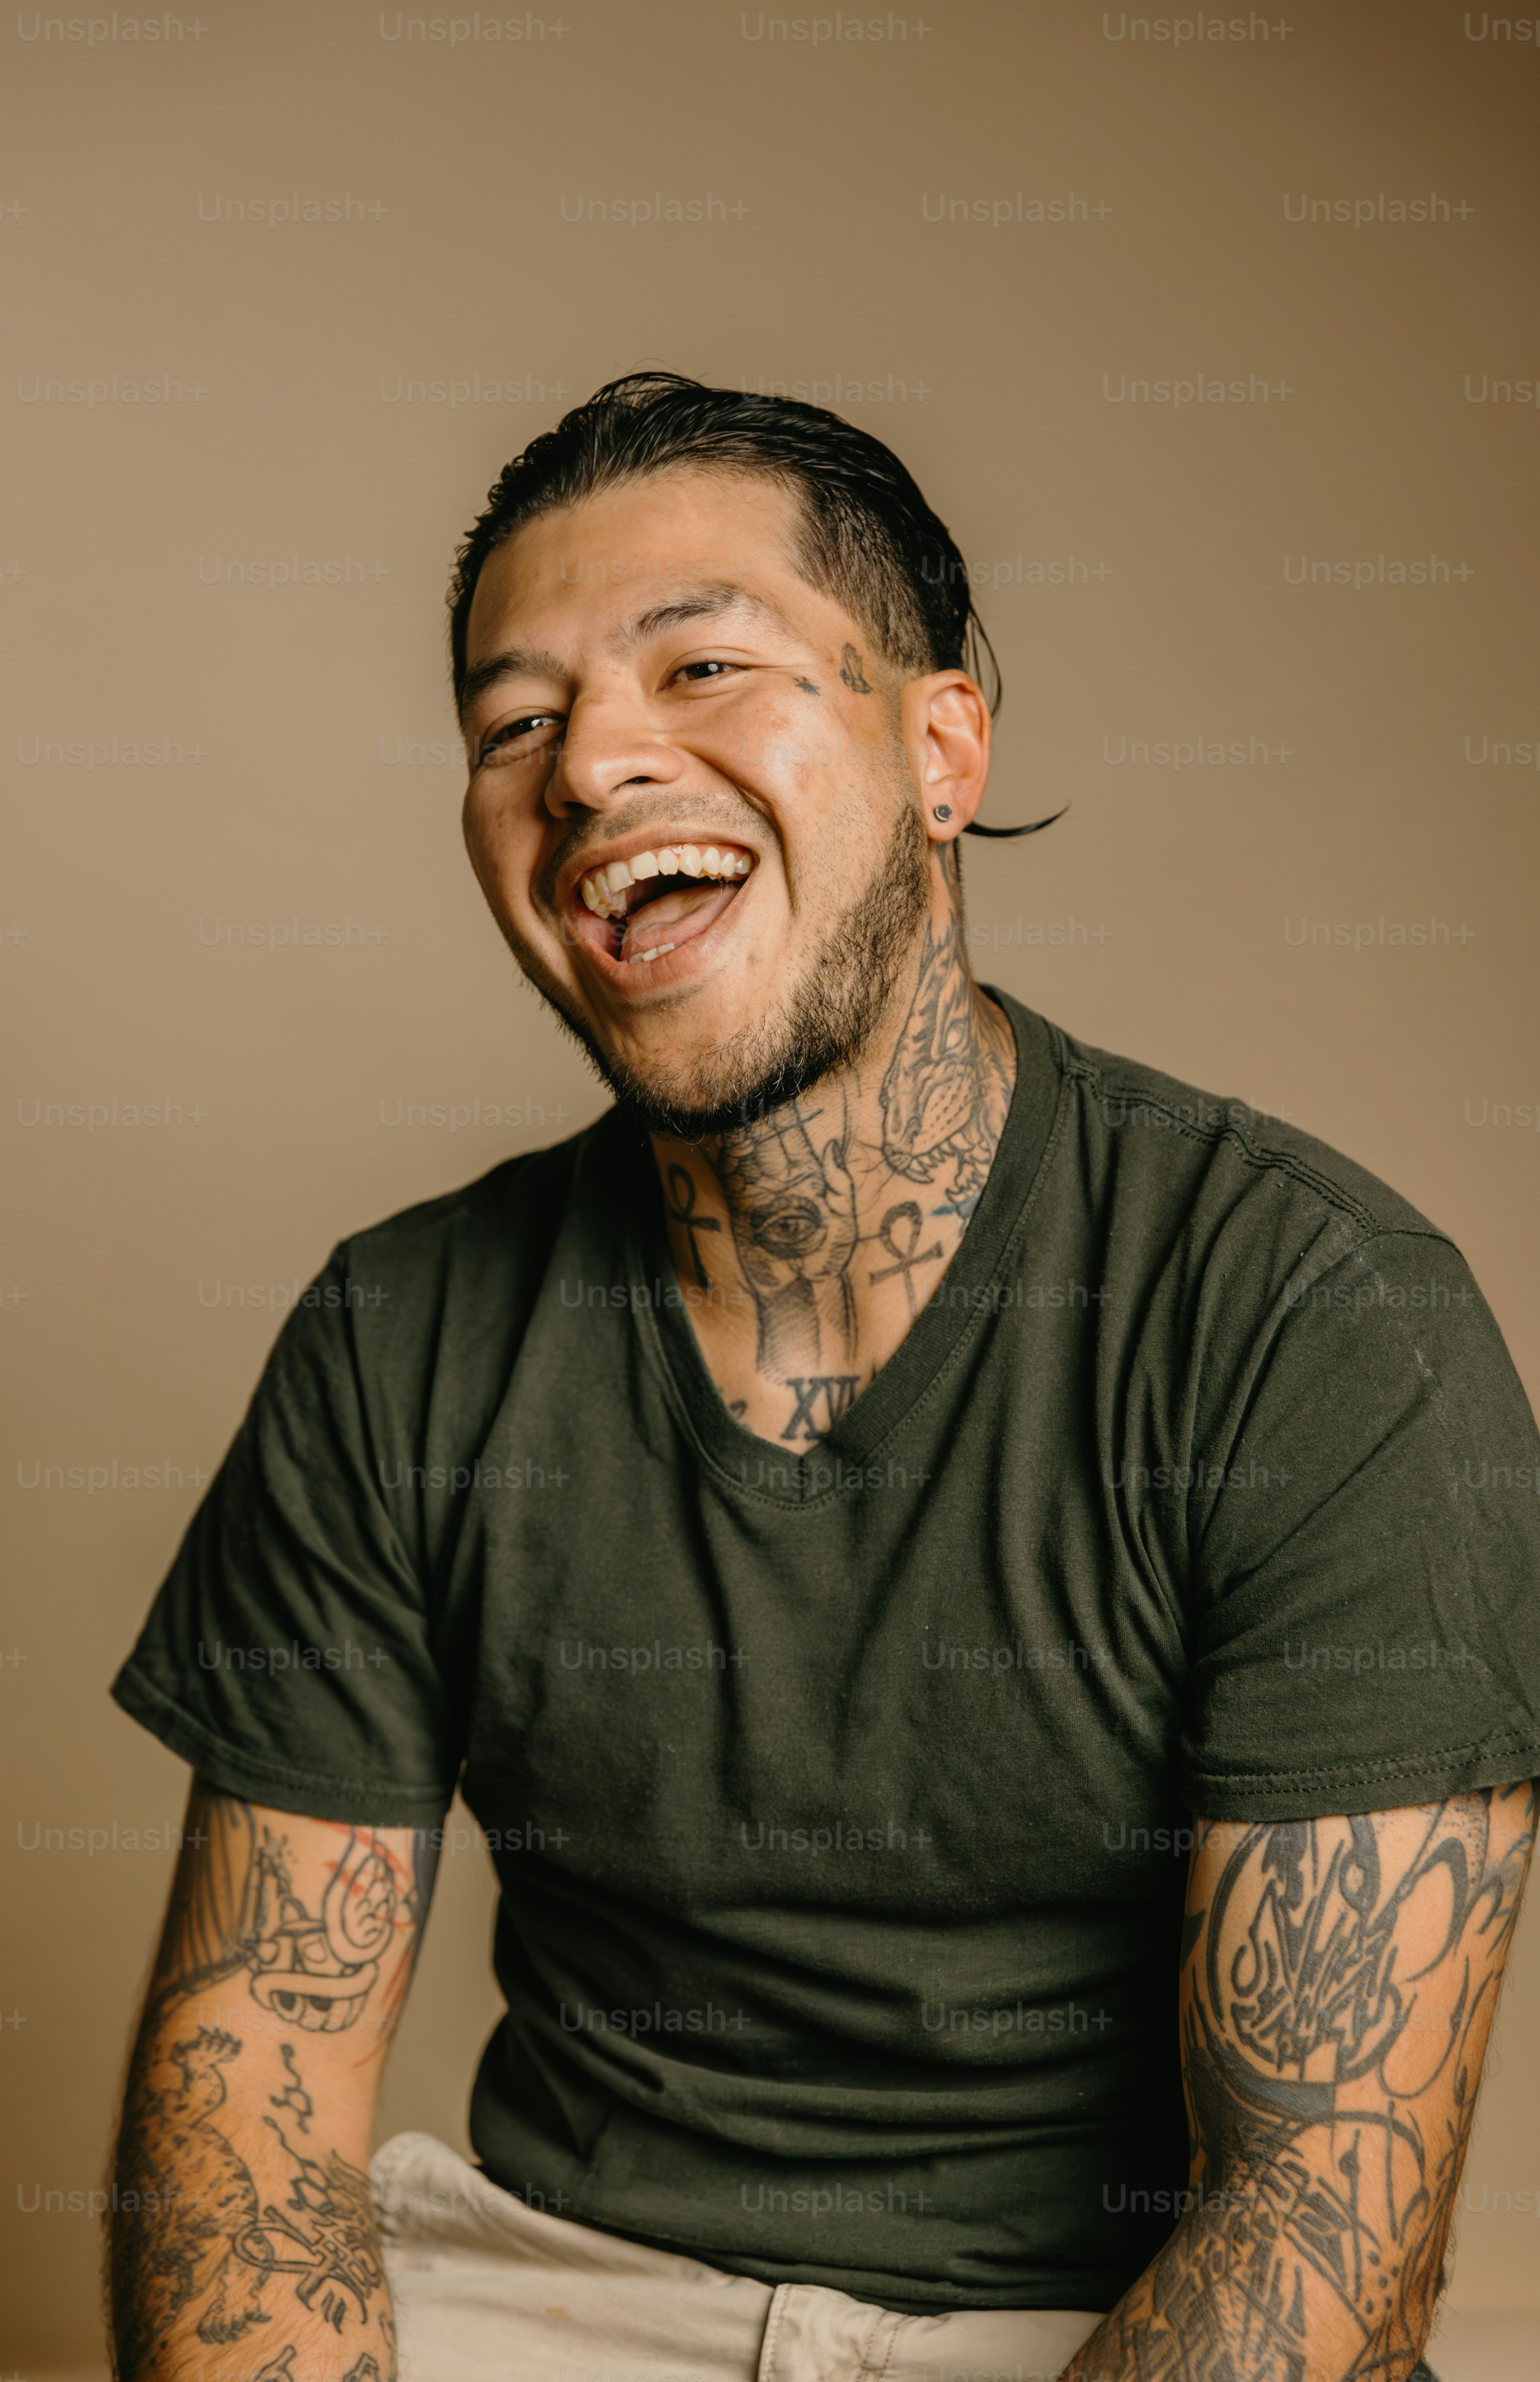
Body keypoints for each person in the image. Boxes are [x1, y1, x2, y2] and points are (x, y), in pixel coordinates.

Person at [106, 375, 1540, 2382]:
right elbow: (252, 2068)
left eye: (702, 661)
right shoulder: (402, 1337)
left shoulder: (1317, 1320)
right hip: (549, 2298)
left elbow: (1320, 2219)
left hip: (1083, 2333)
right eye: (514, 720)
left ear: (942, 747)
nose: (593, 757)